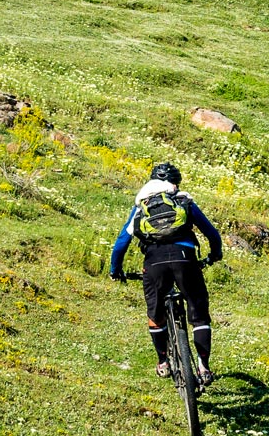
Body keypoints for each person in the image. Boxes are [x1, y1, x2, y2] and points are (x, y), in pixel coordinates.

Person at [109, 162, 223, 384]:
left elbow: (122, 242)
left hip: (154, 262)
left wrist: (116, 270)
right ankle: (204, 367)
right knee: (199, 314)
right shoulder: (183, 201)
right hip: (185, 258)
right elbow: (212, 233)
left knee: (155, 315)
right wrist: (214, 255)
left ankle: (163, 363)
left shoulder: (141, 206)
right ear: (175, 183)